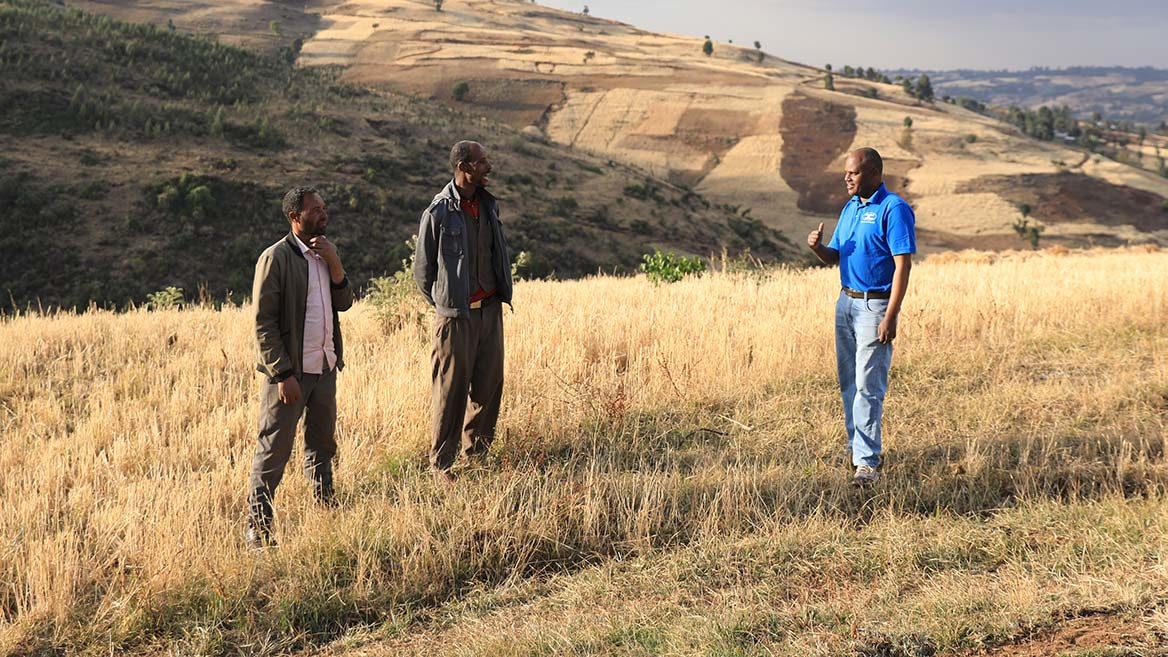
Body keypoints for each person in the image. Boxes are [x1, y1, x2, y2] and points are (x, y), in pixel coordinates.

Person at [247, 187, 353, 547]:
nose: (324, 213)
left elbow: (345, 303)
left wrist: (336, 264)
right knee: (274, 449)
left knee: (322, 444)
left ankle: (325, 510)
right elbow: (264, 324)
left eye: (324, 207)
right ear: (295, 217)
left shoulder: (325, 253)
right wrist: (282, 374)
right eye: (316, 209)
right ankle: (258, 531)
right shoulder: (275, 258)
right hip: (291, 374)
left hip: (324, 367)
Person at [807, 147, 915, 486]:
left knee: (869, 386)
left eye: (853, 172)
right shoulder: (850, 208)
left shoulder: (893, 209)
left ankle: (867, 463)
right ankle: (857, 449)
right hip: (846, 303)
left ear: (872, 173)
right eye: (846, 172)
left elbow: (903, 265)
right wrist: (817, 248)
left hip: (875, 306)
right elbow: (836, 256)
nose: (846, 177)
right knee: (849, 383)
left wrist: (891, 315)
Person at [413, 140, 513, 484]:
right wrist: (449, 304)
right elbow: (423, 274)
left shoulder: (488, 206)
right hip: (455, 317)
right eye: (483, 161)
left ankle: (478, 457)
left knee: (489, 386)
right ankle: (441, 464)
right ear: (464, 166)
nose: (489, 166)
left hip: (490, 312)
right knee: (451, 391)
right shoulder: (438, 213)